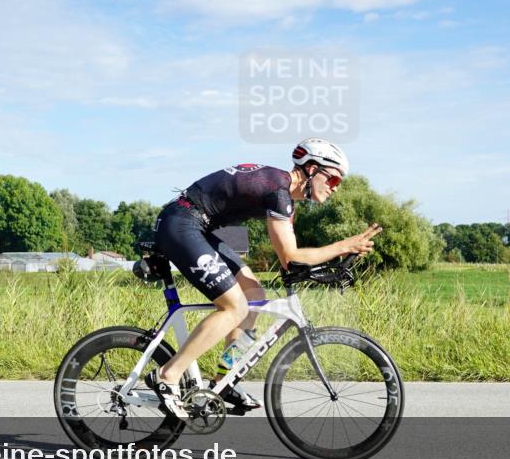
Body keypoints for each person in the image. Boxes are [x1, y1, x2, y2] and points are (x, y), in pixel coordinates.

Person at [145, 138, 382, 418]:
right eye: (332, 180)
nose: (335, 188)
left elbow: (288, 262)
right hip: (182, 224)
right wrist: (343, 247)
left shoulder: (282, 195)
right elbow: (291, 257)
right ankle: (168, 375)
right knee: (235, 307)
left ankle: (223, 380)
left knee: (254, 296)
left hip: (199, 226)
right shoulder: (279, 191)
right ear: (312, 168)